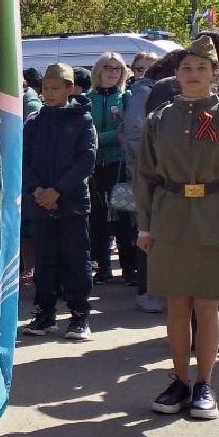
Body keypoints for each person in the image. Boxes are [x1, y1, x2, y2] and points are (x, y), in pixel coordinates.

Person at [136, 33, 219, 420]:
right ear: (177, 72)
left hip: (215, 217)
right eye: (187, 67)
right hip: (169, 217)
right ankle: (179, 380)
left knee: (206, 305)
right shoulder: (160, 118)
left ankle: (205, 383)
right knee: (176, 304)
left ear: (215, 73)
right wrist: (144, 225)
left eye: (202, 68)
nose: (193, 73)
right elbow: (146, 177)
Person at [21, 63, 97, 340]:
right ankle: (44, 314)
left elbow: (85, 161)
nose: (49, 93)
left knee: (76, 260)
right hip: (40, 203)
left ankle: (79, 317)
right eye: (45, 88)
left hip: (72, 203)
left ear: (69, 88)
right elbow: (24, 160)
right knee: (44, 260)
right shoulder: (35, 121)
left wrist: (58, 191)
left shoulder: (82, 120)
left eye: (56, 88)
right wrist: (38, 190)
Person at [87, 53, 136, 284]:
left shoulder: (126, 98)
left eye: (118, 68)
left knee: (122, 216)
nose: (113, 72)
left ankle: (129, 268)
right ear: (98, 70)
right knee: (97, 218)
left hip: (118, 163)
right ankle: (103, 267)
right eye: (108, 67)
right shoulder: (87, 99)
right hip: (93, 164)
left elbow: (125, 132)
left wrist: (96, 137)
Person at [122, 52, 164, 312]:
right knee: (146, 231)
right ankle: (147, 290)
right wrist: (142, 172)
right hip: (150, 176)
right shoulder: (144, 93)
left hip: (157, 175)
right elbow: (134, 136)